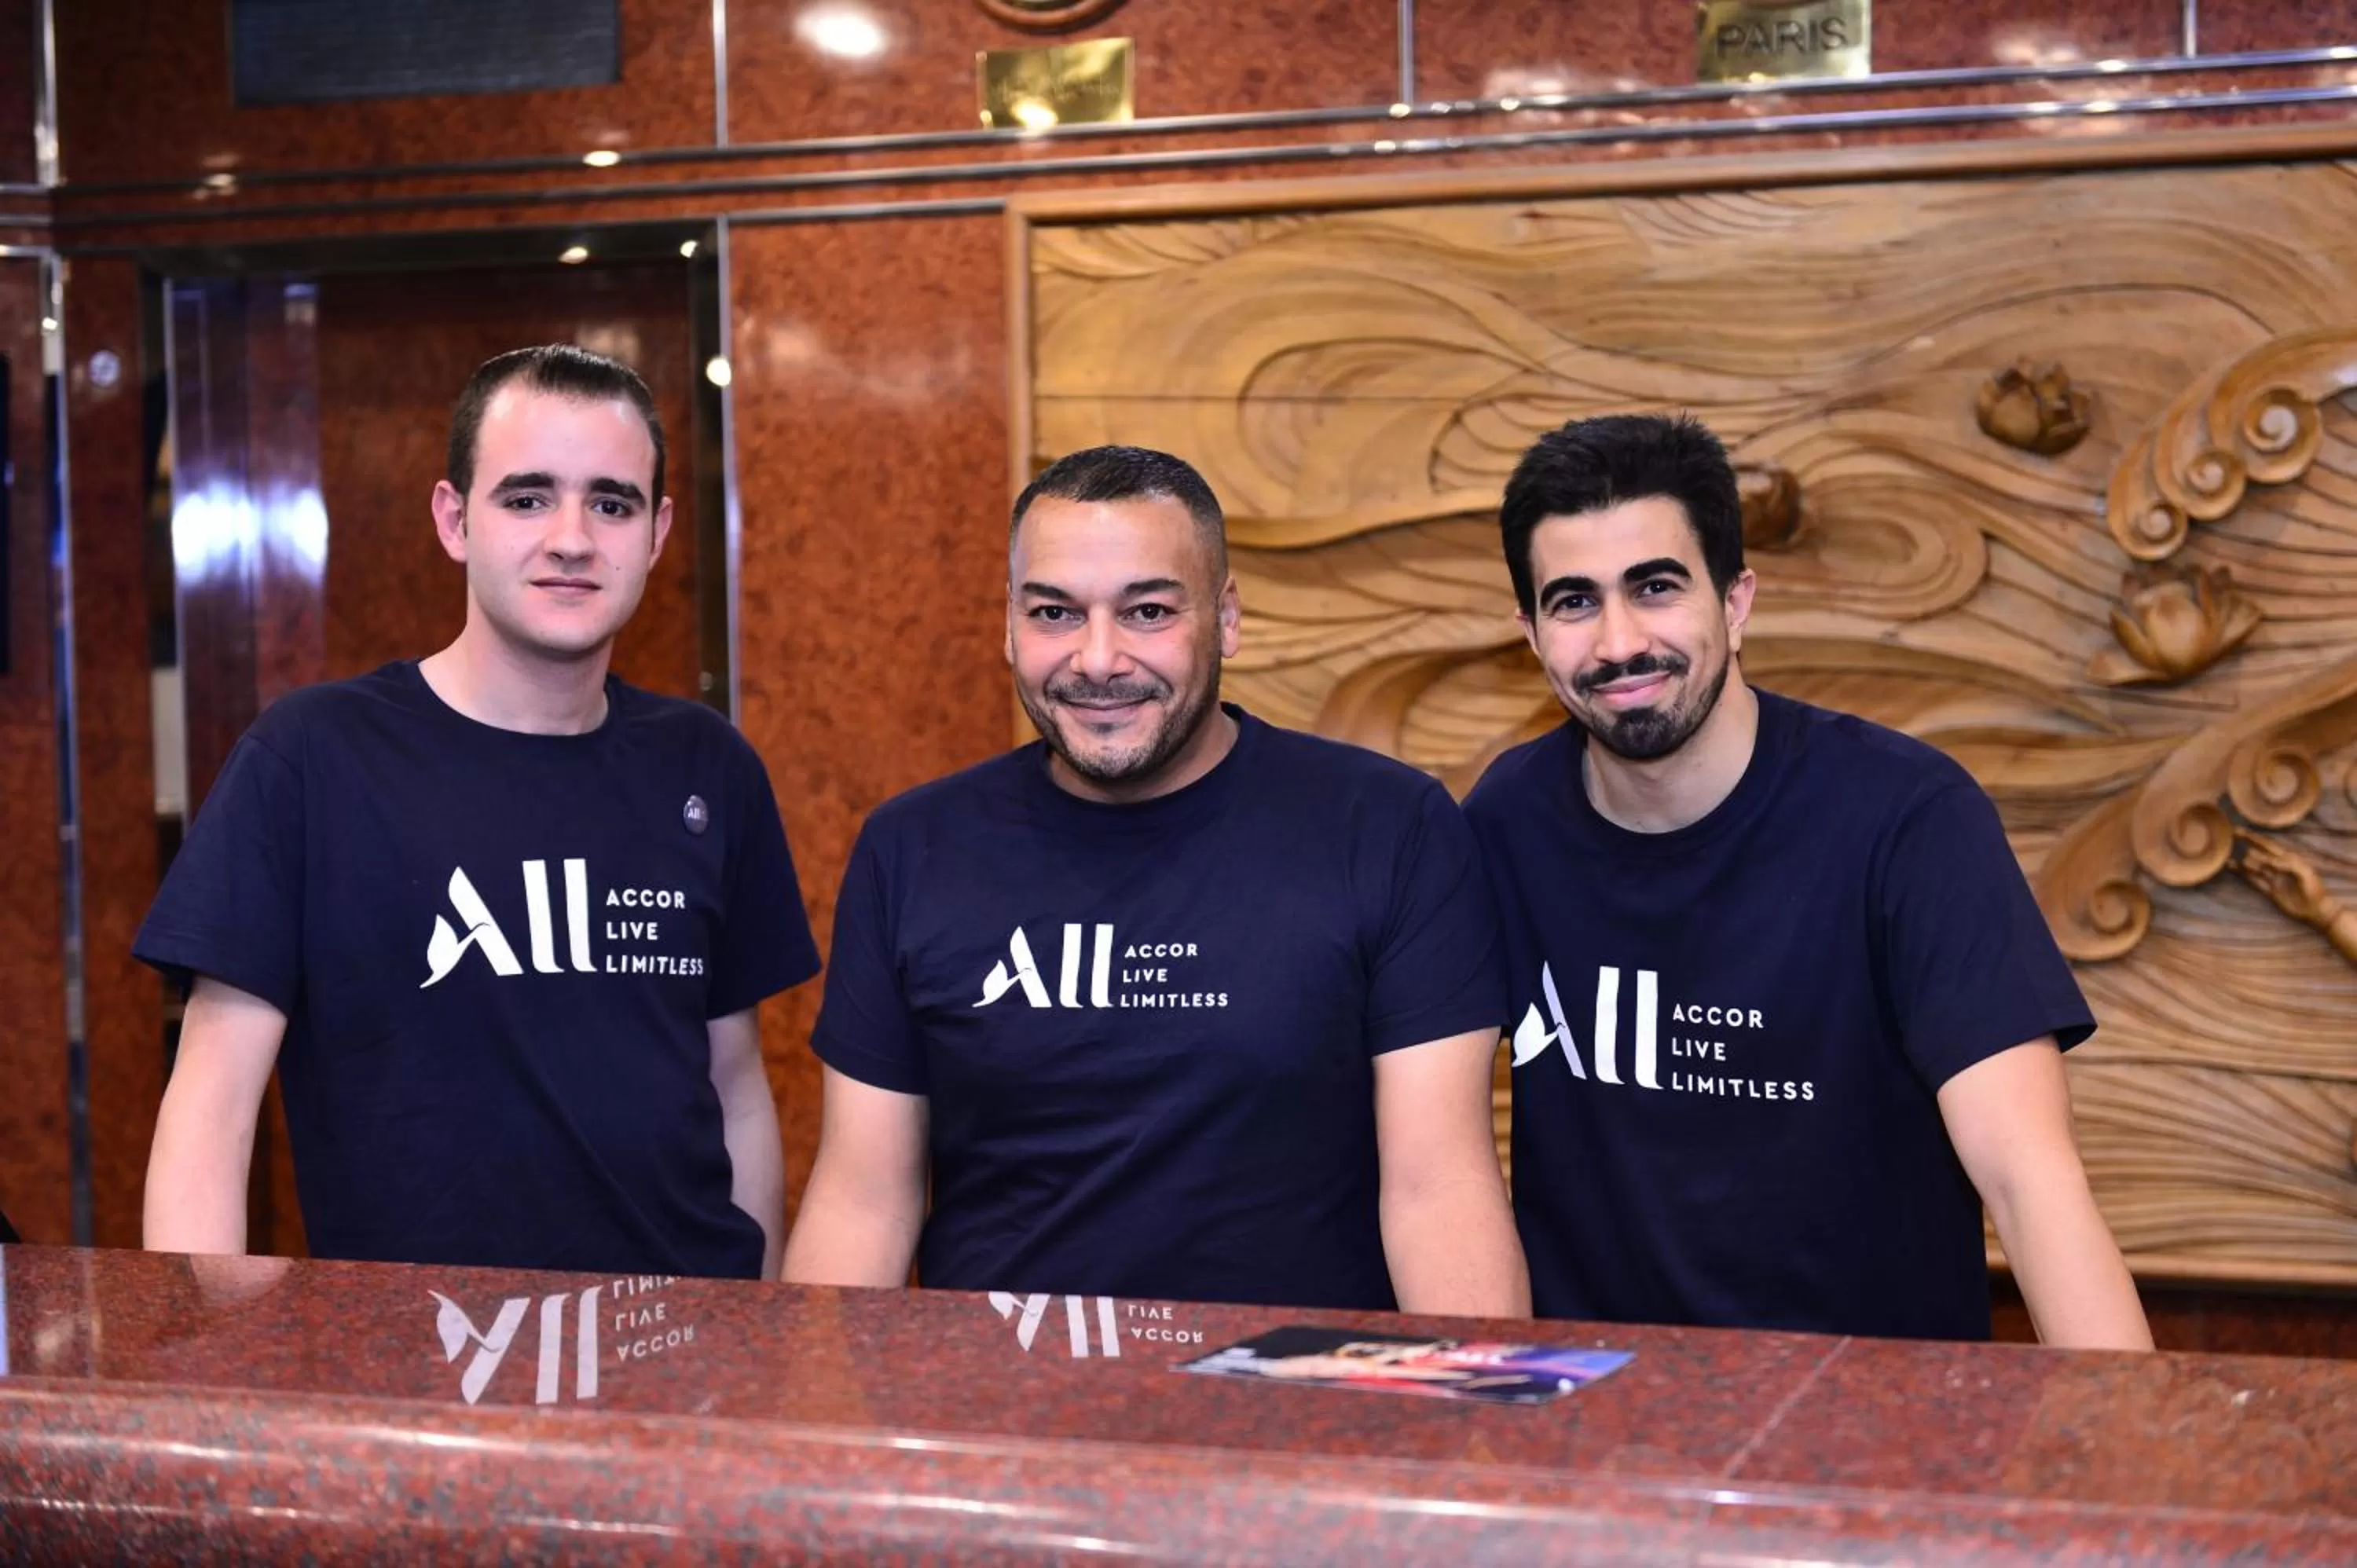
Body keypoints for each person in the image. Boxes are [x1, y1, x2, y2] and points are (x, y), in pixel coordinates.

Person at [782, 445, 1528, 1314]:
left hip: (1298, 1412)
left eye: (1147, 611)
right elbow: (864, 1200)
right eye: (1056, 611)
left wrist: (1479, 1429)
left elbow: (1437, 1191)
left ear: (1227, 618)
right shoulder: (911, 848)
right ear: (1009, 626)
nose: (1098, 660)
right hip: (1000, 1420)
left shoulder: (1389, 828)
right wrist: (804, 1434)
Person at [1466, 412, 2152, 1348]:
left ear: (1737, 601)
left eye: (1656, 587)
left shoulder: (1909, 817)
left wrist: (2131, 1449)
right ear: (1531, 632)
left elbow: (2027, 1177)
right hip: (1596, 1417)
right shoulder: (1506, 819)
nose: (1619, 642)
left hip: (1875, 1420)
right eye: (1574, 601)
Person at [137, 344, 818, 1280]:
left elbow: (736, 1083)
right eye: (528, 497)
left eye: (611, 503)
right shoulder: (312, 758)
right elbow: (212, 1103)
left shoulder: (711, 766)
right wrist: (211, 1367)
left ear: (657, 533)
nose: (573, 537)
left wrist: (758, 1337)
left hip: (682, 1358)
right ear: (455, 519)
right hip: (410, 1373)